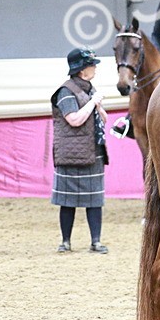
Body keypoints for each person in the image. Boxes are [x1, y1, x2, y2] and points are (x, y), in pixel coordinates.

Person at [50, 48, 109, 254]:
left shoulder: (89, 89)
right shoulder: (66, 91)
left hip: (92, 150)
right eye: (91, 64)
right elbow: (74, 119)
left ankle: (96, 241)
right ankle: (65, 242)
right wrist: (93, 103)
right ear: (82, 69)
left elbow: (103, 119)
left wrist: (98, 106)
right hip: (71, 153)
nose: (94, 68)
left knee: (95, 199)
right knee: (67, 200)